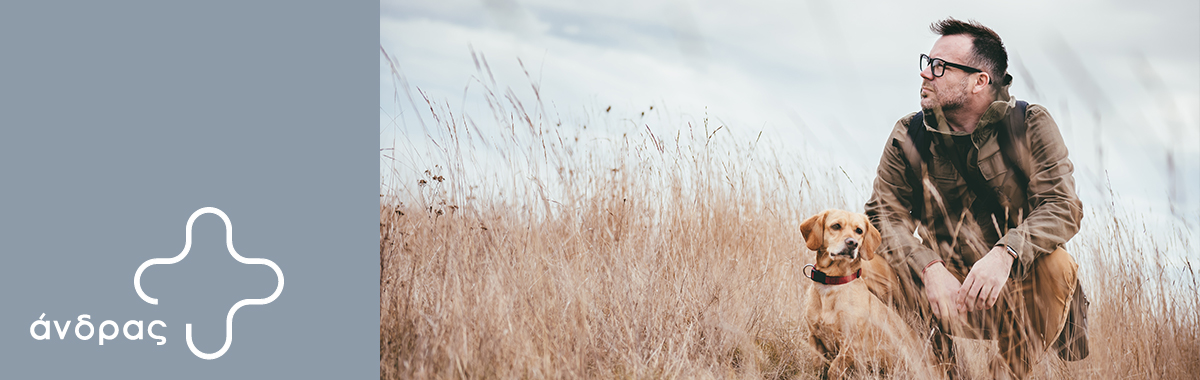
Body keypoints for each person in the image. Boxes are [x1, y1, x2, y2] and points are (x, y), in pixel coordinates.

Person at [864, 18, 1087, 379]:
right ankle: (941, 371)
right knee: (866, 265)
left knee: (1058, 266)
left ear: (979, 81)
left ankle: (1005, 374)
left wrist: (1006, 253)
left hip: (1011, 291)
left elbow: (1063, 207)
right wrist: (928, 266)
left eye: (939, 67)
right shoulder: (909, 134)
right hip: (941, 293)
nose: (925, 75)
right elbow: (880, 216)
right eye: (926, 63)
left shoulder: (1029, 124)